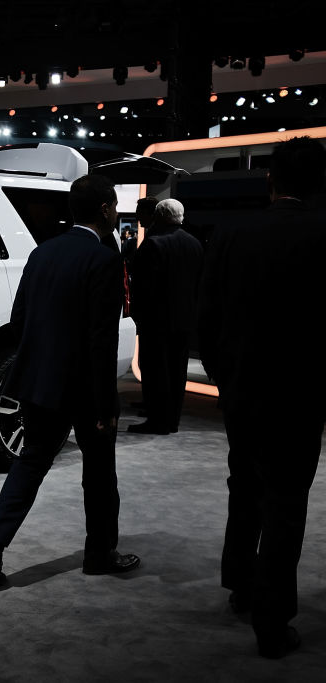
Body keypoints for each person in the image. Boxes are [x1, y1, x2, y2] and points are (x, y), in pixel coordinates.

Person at [0, 174, 141, 587]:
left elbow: (19, 320)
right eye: (114, 206)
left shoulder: (41, 254)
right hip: (83, 387)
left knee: (30, 463)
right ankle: (100, 554)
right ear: (104, 209)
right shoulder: (103, 259)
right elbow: (101, 340)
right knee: (99, 472)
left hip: (39, 381)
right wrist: (106, 405)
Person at [198, 136, 326, 659]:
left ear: (270, 180)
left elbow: (205, 321)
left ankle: (240, 586)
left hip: (242, 391)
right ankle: (272, 623)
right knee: (286, 503)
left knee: (243, 486)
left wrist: (224, 378)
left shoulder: (231, 233)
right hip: (301, 396)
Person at [126, 198, 204, 434]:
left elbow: (143, 287)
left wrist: (137, 316)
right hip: (185, 320)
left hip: (156, 321)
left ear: (159, 216)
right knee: (177, 372)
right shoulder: (194, 243)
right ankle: (172, 420)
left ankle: (158, 421)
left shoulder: (153, 244)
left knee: (156, 371)